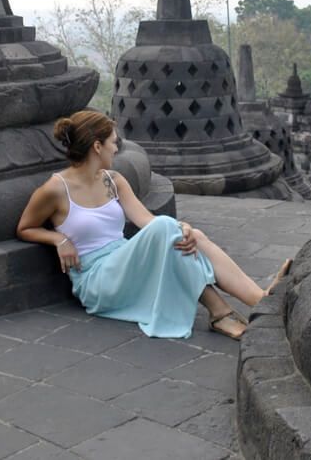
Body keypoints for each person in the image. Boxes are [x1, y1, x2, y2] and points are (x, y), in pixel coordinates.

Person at [17, 110, 291, 340]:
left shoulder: (114, 180)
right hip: (97, 281)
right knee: (167, 229)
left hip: (126, 263)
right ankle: (220, 311)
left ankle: (261, 299)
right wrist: (59, 240)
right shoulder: (55, 189)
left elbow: (147, 221)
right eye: (113, 142)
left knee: (191, 234)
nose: (116, 147)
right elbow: (25, 227)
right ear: (97, 146)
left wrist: (181, 228)